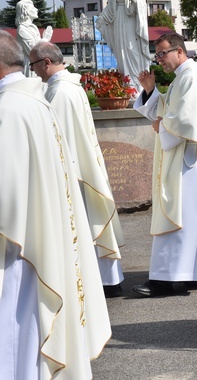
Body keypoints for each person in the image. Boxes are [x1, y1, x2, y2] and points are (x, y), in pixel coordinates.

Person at [0, 30, 110, 378]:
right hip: (41, 238)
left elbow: (6, 194)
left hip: (18, 248)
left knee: (15, 334)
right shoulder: (39, 103)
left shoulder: (9, 111)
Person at [132, 32, 197, 297]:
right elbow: (169, 108)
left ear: (179, 51)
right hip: (186, 159)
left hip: (188, 160)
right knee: (191, 218)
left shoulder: (193, 78)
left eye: (163, 54)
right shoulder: (183, 79)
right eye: (157, 55)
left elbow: (187, 121)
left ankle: (163, 281)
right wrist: (150, 92)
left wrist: (162, 124)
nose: (160, 60)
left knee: (175, 214)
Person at [29, 41, 126, 296]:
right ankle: (106, 280)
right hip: (81, 167)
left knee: (83, 227)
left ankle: (100, 282)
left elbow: (53, 139)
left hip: (72, 172)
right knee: (90, 223)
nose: (34, 71)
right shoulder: (70, 86)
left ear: (46, 62)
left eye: (34, 65)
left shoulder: (60, 92)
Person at [97, 0, 151, 94]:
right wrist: (102, 17)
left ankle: (137, 83)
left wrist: (135, 1)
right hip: (118, 21)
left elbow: (142, 5)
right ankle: (126, 84)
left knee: (131, 49)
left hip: (130, 22)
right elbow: (110, 8)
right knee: (121, 51)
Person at [15, 0, 52, 76]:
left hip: (38, 64)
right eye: (33, 8)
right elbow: (32, 50)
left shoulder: (33, 27)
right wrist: (45, 39)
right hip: (30, 67)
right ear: (27, 11)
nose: (36, 9)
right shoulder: (22, 29)